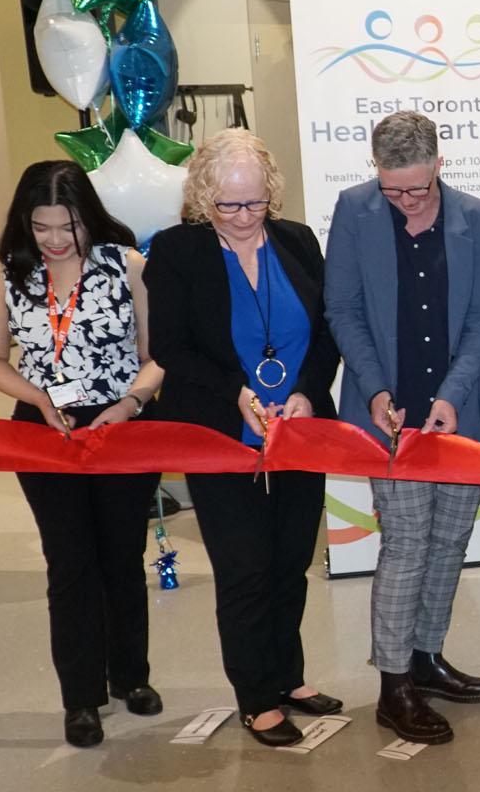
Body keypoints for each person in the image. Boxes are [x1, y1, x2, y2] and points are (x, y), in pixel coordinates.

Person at [145, 129, 343, 747]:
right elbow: (172, 349)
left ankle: (288, 676)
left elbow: (328, 328)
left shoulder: (297, 241)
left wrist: (308, 389)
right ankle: (256, 694)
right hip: (220, 432)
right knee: (245, 566)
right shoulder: (178, 252)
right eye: (228, 205)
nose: (242, 216)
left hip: (299, 430)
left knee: (290, 561)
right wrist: (238, 391)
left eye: (254, 203)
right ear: (205, 195)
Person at [0, 160, 165, 748]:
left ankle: (131, 676)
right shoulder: (8, 273)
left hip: (120, 424)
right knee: (70, 563)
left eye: (68, 227)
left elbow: (160, 355)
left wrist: (131, 402)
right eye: (41, 227)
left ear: (89, 218)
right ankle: (80, 698)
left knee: (121, 558)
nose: (55, 241)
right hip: (45, 430)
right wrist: (38, 398)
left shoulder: (128, 265)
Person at [325, 110, 480, 745]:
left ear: (439, 167)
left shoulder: (477, 219)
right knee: (405, 544)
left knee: (451, 540)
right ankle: (392, 683)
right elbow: (342, 308)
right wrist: (375, 389)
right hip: (391, 414)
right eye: (391, 188)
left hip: (461, 412)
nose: (403, 202)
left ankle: (427, 657)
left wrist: (453, 394)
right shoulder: (355, 211)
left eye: (416, 189)